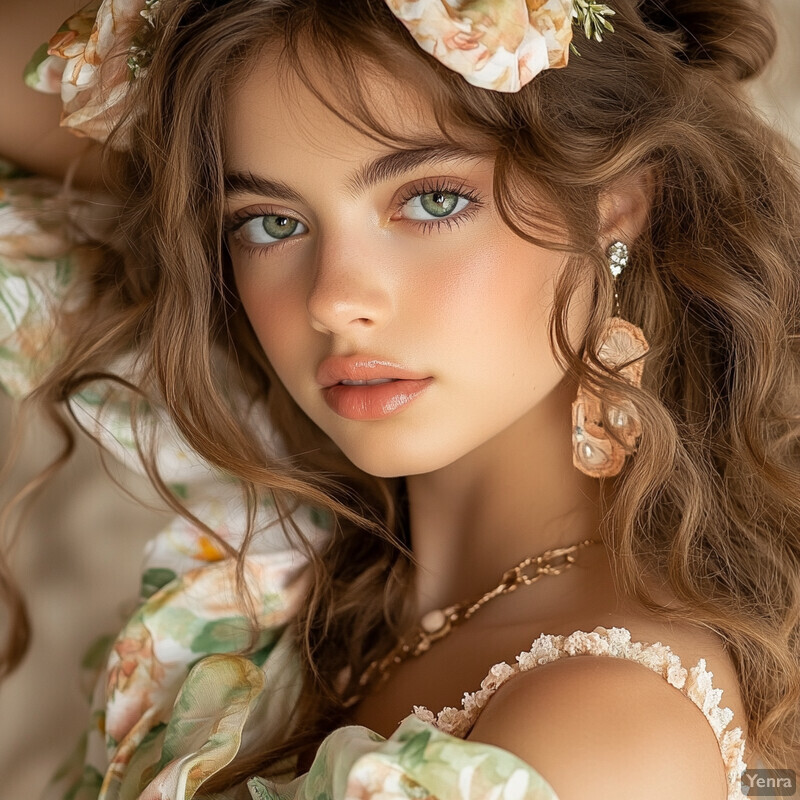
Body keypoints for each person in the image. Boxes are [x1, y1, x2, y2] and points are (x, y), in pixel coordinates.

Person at [1, 0, 799, 798]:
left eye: (432, 200)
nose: (331, 300)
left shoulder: (599, 734)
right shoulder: (304, 571)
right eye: (272, 222)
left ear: (614, 203)